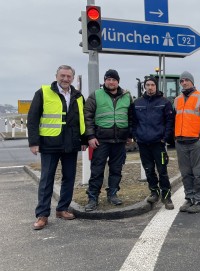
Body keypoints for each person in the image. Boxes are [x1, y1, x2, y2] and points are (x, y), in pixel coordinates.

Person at [27, 65, 87, 230]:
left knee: (69, 178)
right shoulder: (43, 92)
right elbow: (32, 118)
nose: (65, 79)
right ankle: (42, 215)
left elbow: (81, 120)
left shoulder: (78, 96)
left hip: (71, 144)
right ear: (56, 76)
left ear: (72, 78)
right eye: (62, 76)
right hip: (49, 143)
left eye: (69, 76)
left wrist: (84, 139)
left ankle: (62, 209)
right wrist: (33, 142)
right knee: (47, 179)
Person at [83, 69, 132, 211]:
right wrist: (91, 136)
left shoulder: (127, 96)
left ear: (118, 81)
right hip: (101, 140)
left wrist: (129, 135)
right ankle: (93, 198)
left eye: (114, 79)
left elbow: (130, 117)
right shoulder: (96, 95)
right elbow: (88, 117)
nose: (111, 82)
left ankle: (112, 194)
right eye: (108, 79)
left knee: (116, 169)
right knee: (97, 170)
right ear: (104, 81)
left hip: (120, 141)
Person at [131, 77, 175, 210]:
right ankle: (154, 193)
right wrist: (136, 136)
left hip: (158, 144)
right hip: (143, 144)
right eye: (147, 85)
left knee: (162, 171)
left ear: (156, 86)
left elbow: (169, 122)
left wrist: (165, 138)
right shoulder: (137, 103)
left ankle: (166, 197)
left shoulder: (164, 102)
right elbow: (133, 122)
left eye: (152, 85)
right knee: (149, 170)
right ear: (144, 86)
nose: (150, 87)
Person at [174, 71, 200, 213]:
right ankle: (189, 198)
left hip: (196, 142)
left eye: (186, 80)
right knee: (185, 173)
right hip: (181, 142)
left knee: (198, 174)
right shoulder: (177, 99)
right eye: (182, 81)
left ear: (192, 81)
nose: (184, 83)